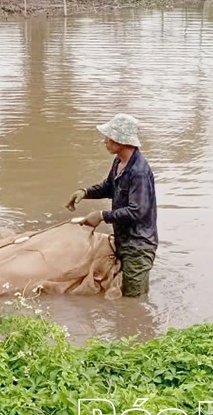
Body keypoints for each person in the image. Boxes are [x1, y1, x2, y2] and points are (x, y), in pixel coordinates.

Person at [65, 113, 158, 297]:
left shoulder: (138, 172)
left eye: (108, 137)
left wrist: (101, 216)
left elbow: (136, 211)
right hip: (123, 240)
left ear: (120, 141)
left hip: (138, 246)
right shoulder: (119, 162)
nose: (105, 141)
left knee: (134, 298)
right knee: (125, 295)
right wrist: (85, 192)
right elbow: (109, 187)